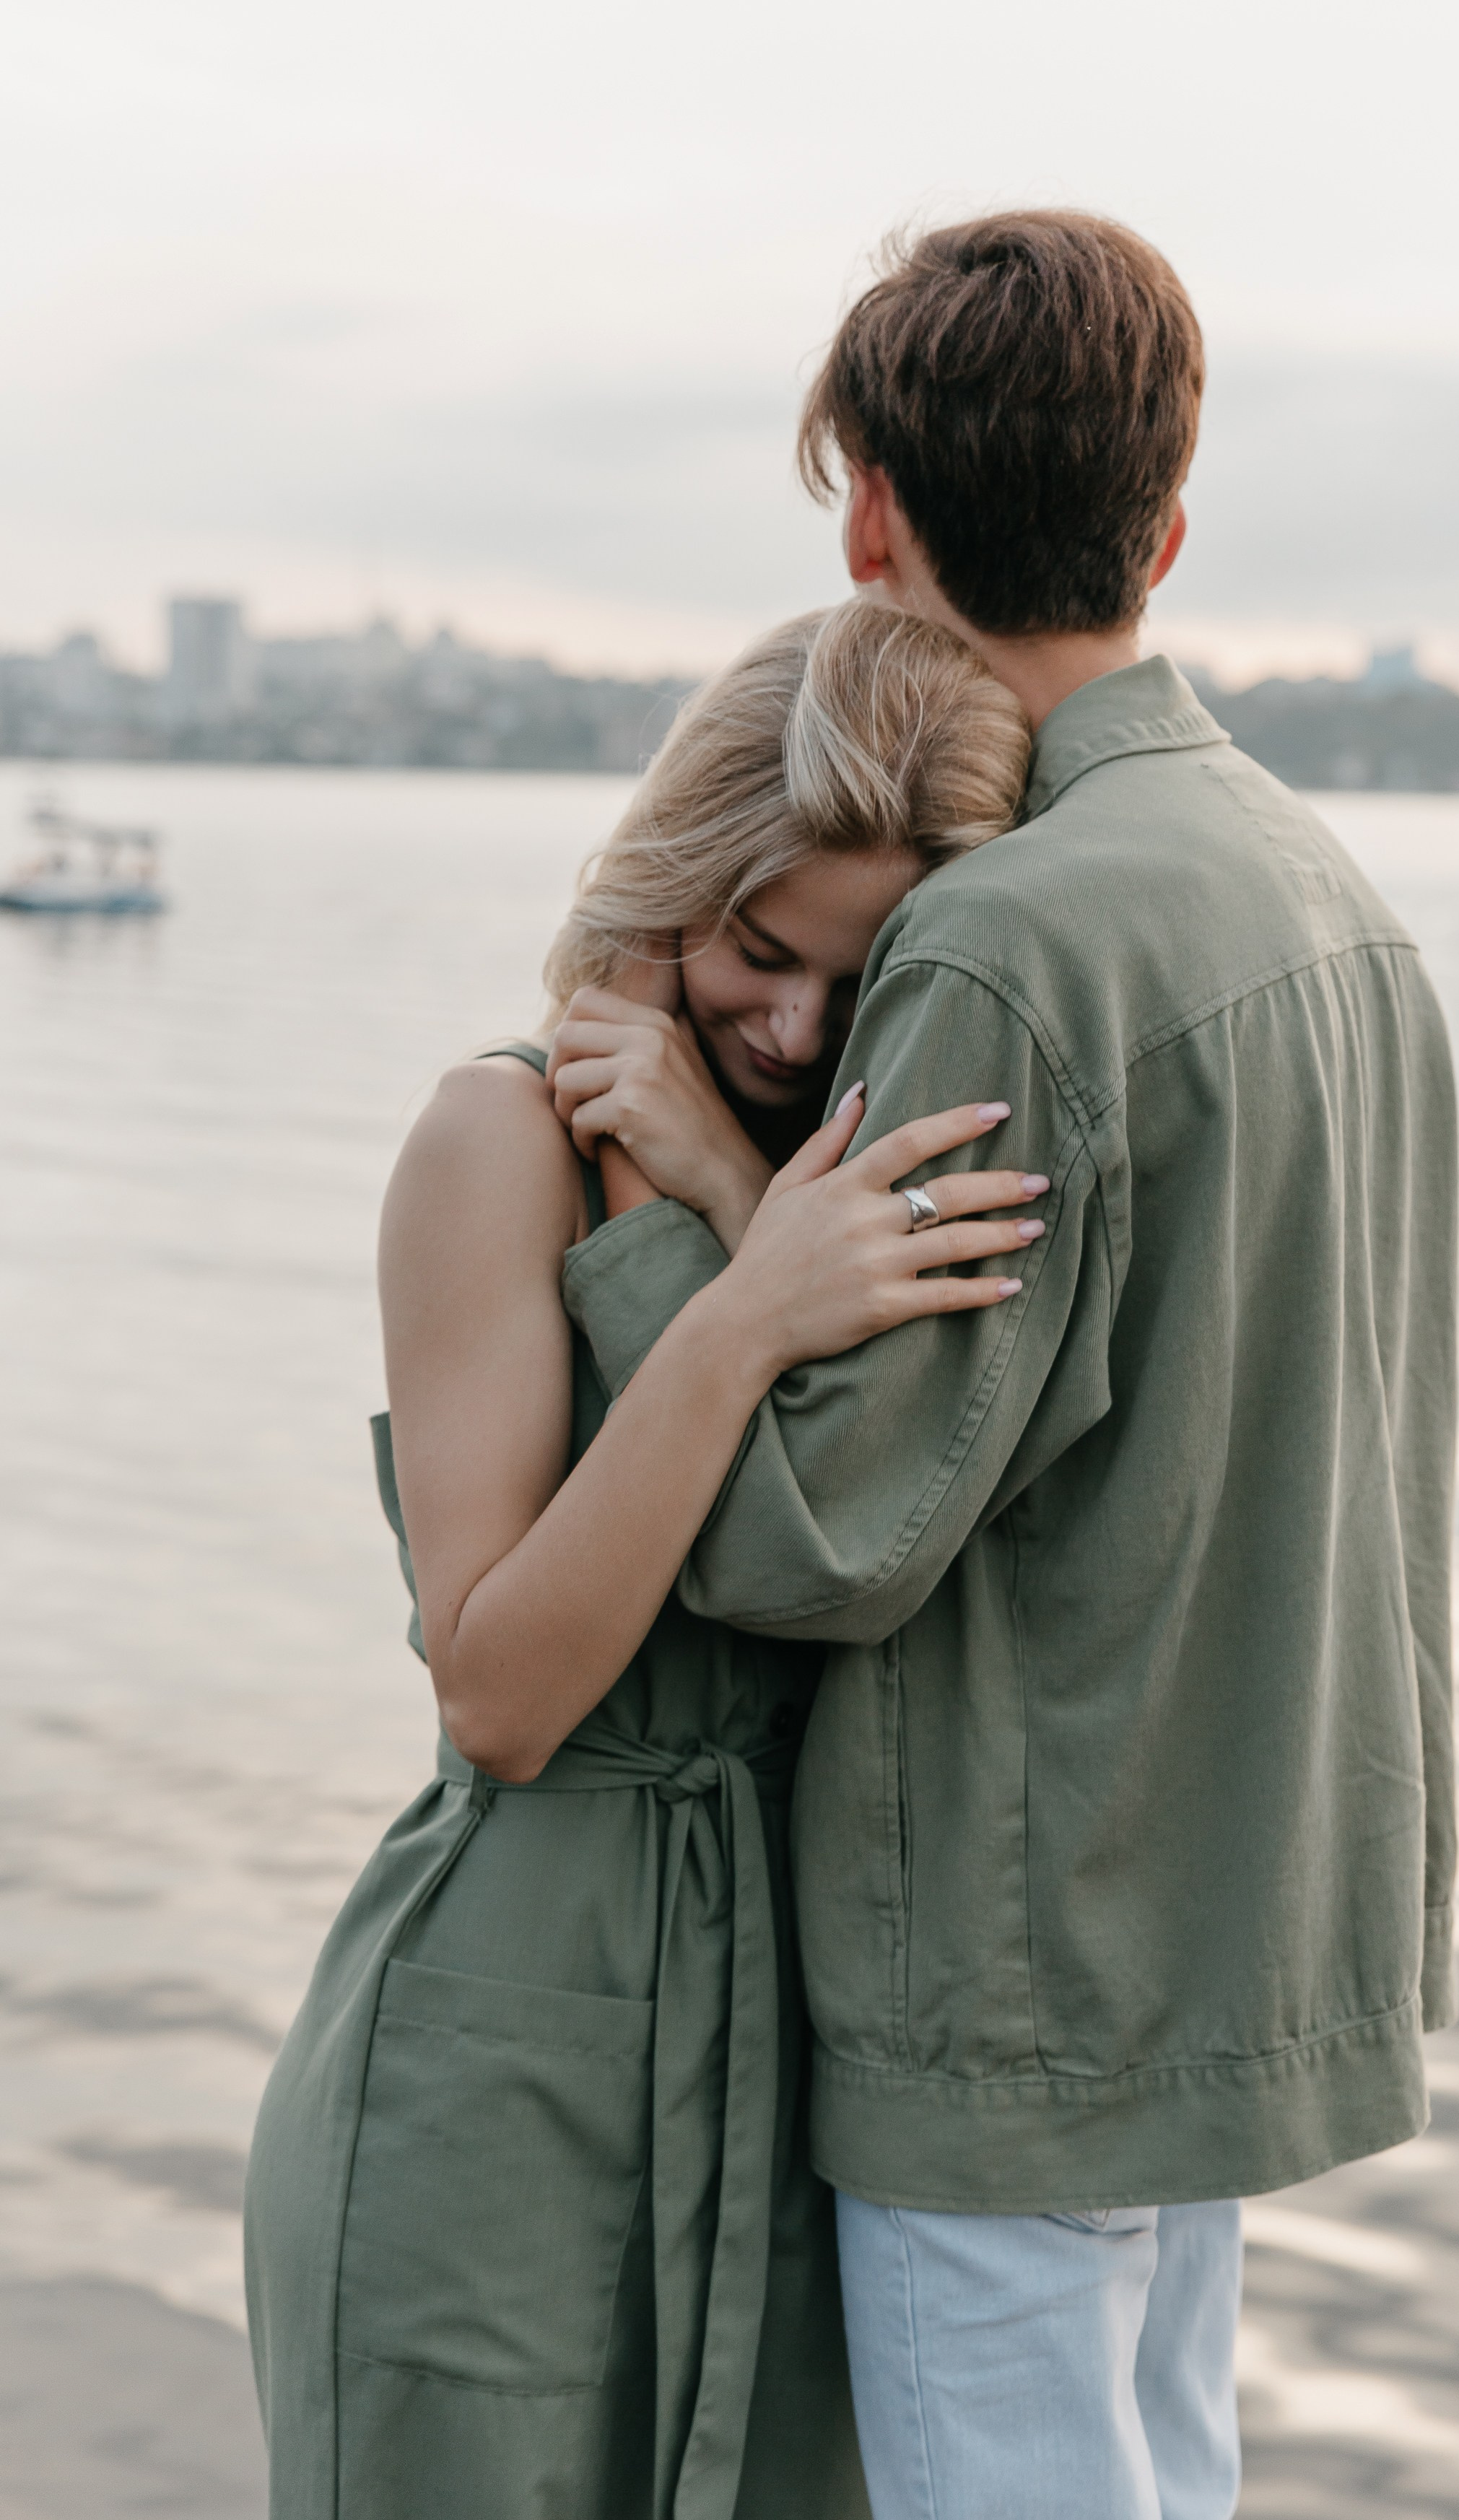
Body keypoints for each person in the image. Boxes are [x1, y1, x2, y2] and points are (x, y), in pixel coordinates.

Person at [552, 210, 1459, 2520]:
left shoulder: (1004, 938)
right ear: (1163, 529)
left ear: (870, 519)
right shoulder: (1328, 894)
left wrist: (680, 1227)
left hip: (1020, 1971)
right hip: (1230, 1923)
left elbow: (808, 1533)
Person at [241, 601, 1040, 2520]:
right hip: (492, 2059)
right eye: (759, 951)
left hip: (790, 2052)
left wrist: (739, 1200)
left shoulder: (825, 1180)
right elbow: (500, 1689)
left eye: (853, 992)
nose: (786, 1029)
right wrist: (741, 1302)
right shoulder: (493, 1138)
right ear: (673, 886)